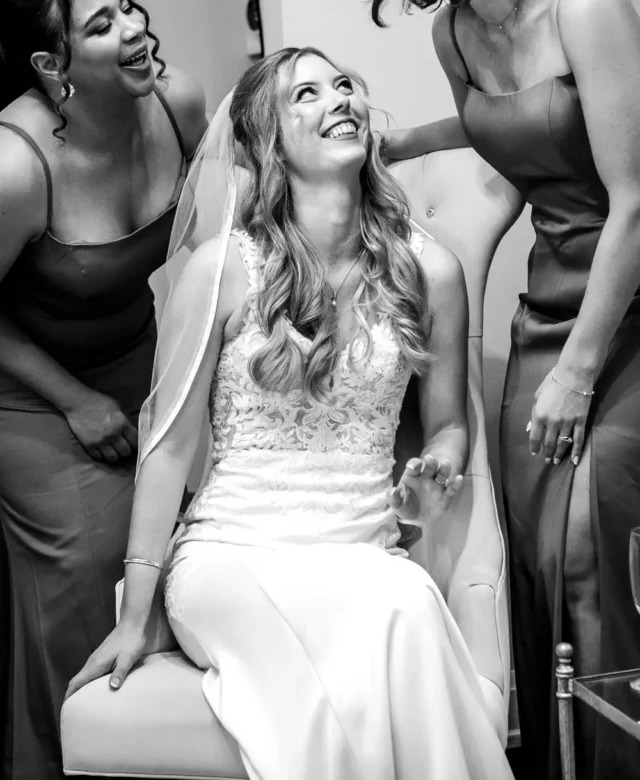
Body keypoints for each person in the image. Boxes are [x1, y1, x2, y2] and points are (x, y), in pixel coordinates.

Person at [67, 47, 514, 780]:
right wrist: (134, 616)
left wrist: (439, 467)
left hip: (357, 549)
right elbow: (169, 449)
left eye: (343, 85)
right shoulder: (222, 269)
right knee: (342, 656)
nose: (338, 99)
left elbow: (448, 425)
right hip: (231, 558)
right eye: (305, 94)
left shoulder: (429, 270)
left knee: (405, 603)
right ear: (268, 142)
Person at [367, 0, 640, 780]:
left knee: (582, 547)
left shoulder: (586, 7)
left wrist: (577, 371)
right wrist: (399, 145)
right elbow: (503, 124)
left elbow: (634, 205)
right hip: (542, 317)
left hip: (622, 311)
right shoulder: (453, 31)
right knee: (529, 551)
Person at [0, 0, 208, 780]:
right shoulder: (9, 167)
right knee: (91, 561)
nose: (135, 29)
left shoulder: (178, 103)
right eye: (102, 25)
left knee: (183, 549)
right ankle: (78, 760)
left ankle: (165, 754)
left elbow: (216, 239)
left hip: (129, 354)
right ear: (51, 65)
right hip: (16, 385)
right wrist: (72, 402)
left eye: (128, 6)